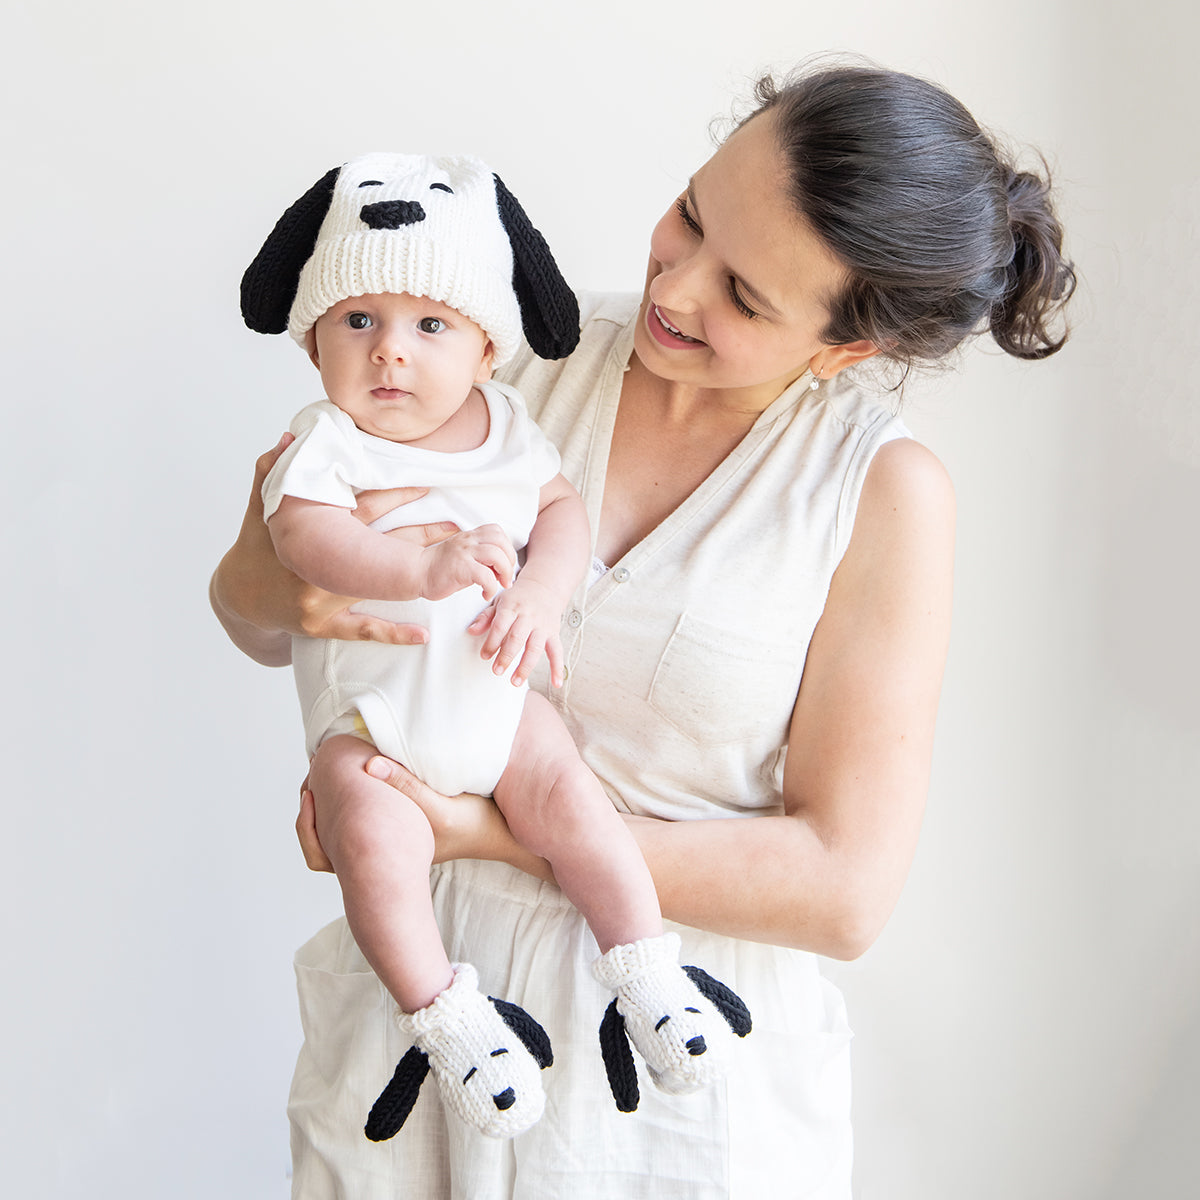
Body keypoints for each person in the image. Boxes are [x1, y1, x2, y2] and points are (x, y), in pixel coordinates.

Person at [212, 61, 1074, 1198]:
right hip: (423, 1038)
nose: (678, 285)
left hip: (672, 1098)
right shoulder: (498, 354)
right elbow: (251, 612)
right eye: (692, 215)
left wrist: (484, 832)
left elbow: (844, 889)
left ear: (845, 348)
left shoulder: (878, 495)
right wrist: (322, 583)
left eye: (748, 297)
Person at [238, 153, 750, 1140]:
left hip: (498, 701)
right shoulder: (329, 442)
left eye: (429, 326)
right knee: (369, 835)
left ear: (484, 353)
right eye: (358, 323)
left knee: (571, 800)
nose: (391, 353)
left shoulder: (511, 427)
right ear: (312, 348)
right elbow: (305, 538)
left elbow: (560, 513)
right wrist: (413, 570)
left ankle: (648, 971)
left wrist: (540, 592)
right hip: (377, 727)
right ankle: (447, 1016)